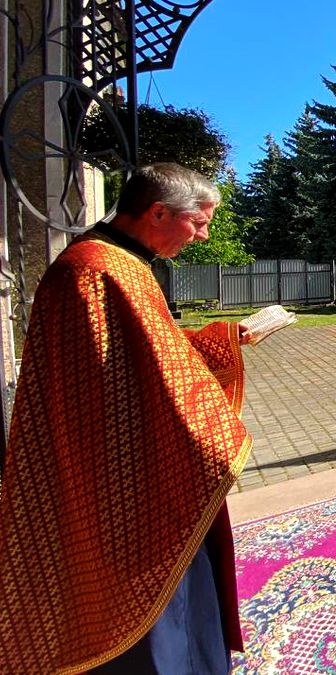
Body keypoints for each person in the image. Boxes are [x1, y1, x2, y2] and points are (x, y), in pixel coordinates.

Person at [0, 164, 254, 672]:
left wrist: (218, 340)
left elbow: (144, 358)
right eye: (198, 223)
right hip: (121, 480)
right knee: (149, 613)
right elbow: (124, 382)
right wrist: (210, 436)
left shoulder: (122, 263)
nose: (203, 236)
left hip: (136, 454)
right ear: (158, 212)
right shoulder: (97, 271)